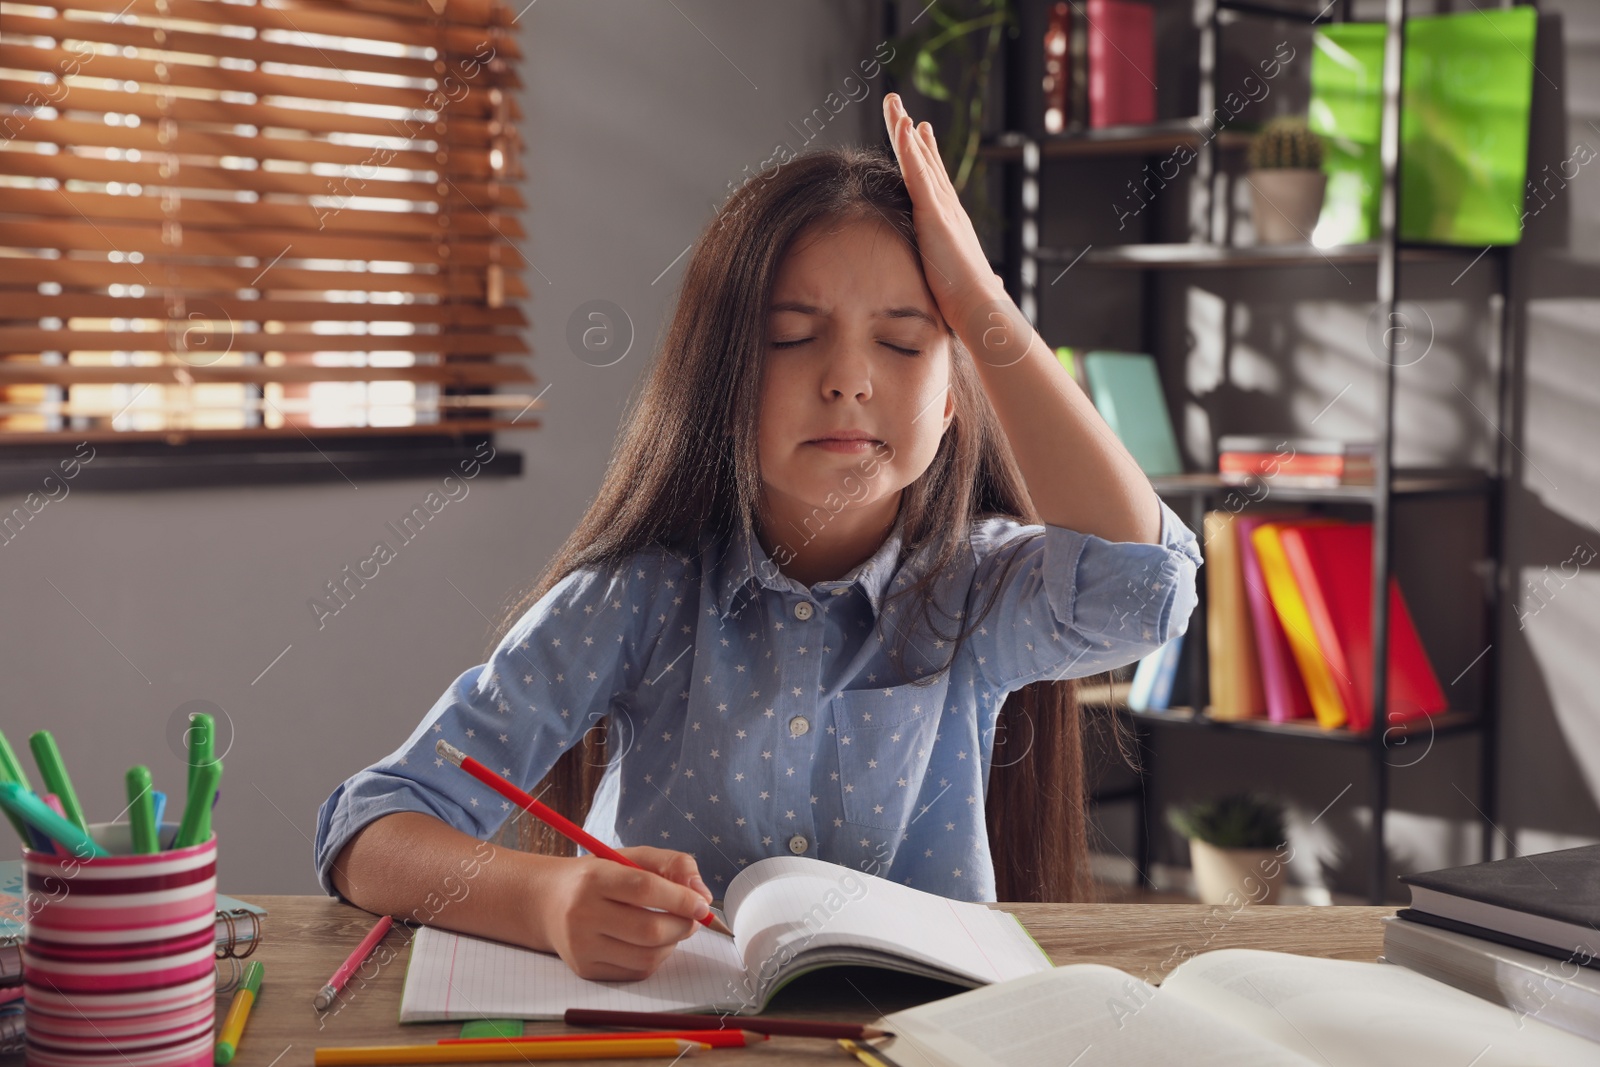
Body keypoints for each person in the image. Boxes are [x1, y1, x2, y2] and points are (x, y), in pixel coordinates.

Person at [313, 93, 1201, 981]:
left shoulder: (976, 589)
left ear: (955, 398)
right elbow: (371, 828)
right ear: (722, 378)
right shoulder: (635, 598)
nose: (848, 378)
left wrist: (980, 301)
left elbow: (1147, 589)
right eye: (790, 337)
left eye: (902, 343)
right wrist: (545, 900)